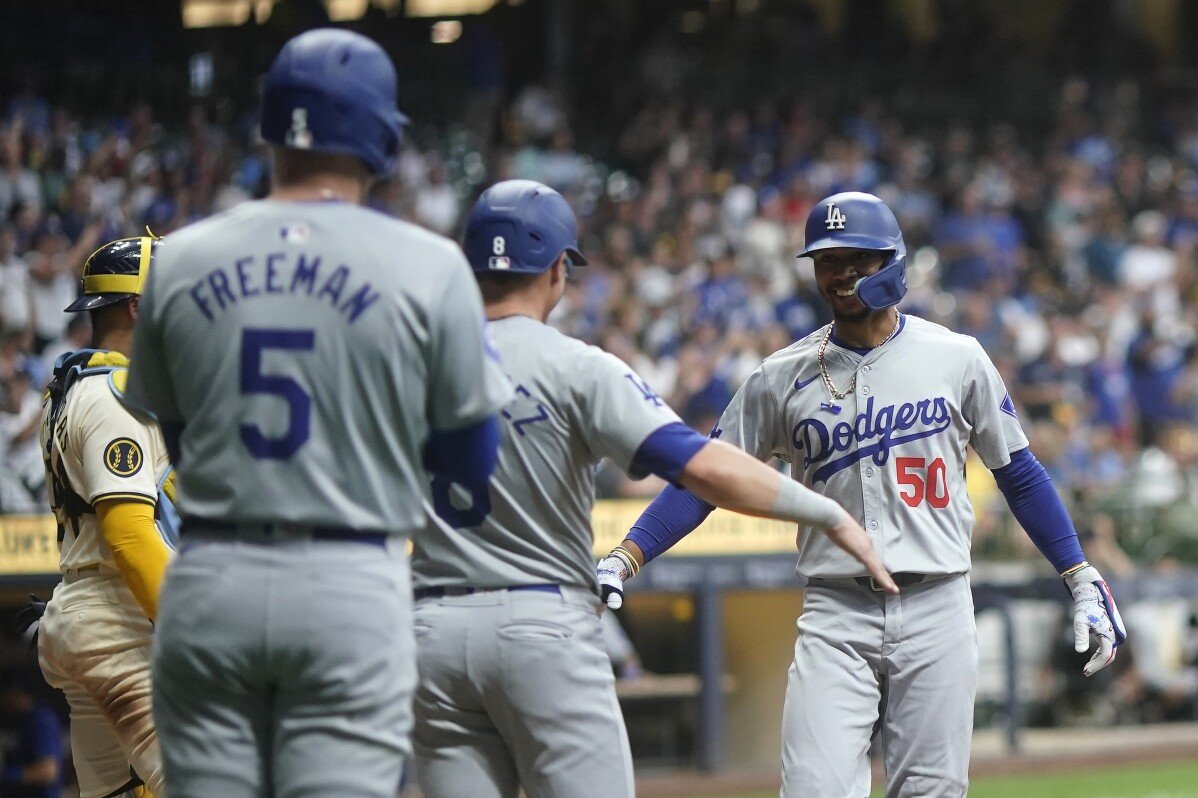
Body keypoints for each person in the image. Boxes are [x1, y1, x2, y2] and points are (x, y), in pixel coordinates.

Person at [598, 192, 1127, 798]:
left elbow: (1021, 474)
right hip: (836, 611)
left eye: (859, 259)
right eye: (828, 261)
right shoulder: (780, 376)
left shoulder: (956, 357)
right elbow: (705, 479)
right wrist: (627, 554)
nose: (842, 274)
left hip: (938, 603)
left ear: (894, 262)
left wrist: (1079, 573)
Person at [121, 29, 509, 798]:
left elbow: (183, 440)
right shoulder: (429, 263)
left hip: (210, 577)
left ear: (270, 127)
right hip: (349, 575)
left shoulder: (181, 258)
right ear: (382, 137)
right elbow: (471, 464)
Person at [410, 180, 893, 798]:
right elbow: (696, 464)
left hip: (431, 631)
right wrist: (825, 511)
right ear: (559, 270)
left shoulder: (411, 364)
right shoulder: (576, 366)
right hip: (539, 622)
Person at [37, 234, 175, 798]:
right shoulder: (115, 394)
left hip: (85, 611)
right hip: (119, 621)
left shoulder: (74, 385)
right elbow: (129, 533)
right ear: (138, 307)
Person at [0, 664, 65, 798]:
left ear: (16, 693)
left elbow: (48, 771)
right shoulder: (17, 722)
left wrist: (8, 775)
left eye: (4, 695)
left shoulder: (41, 720)